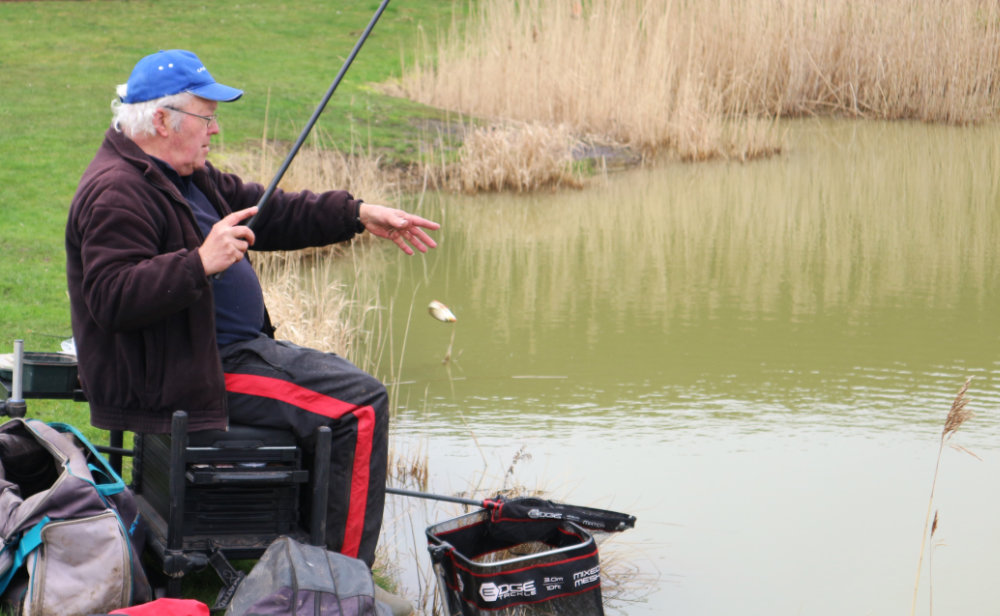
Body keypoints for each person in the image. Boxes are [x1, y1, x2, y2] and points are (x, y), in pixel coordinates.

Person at [65, 49, 436, 613]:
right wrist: (198, 262)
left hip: (220, 355)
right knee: (359, 404)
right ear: (163, 121)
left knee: (344, 391)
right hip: (188, 374)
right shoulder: (118, 190)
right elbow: (110, 297)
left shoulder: (182, 176)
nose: (215, 129)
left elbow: (273, 212)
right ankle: (338, 588)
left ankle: (319, 565)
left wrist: (357, 214)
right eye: (205, 116)